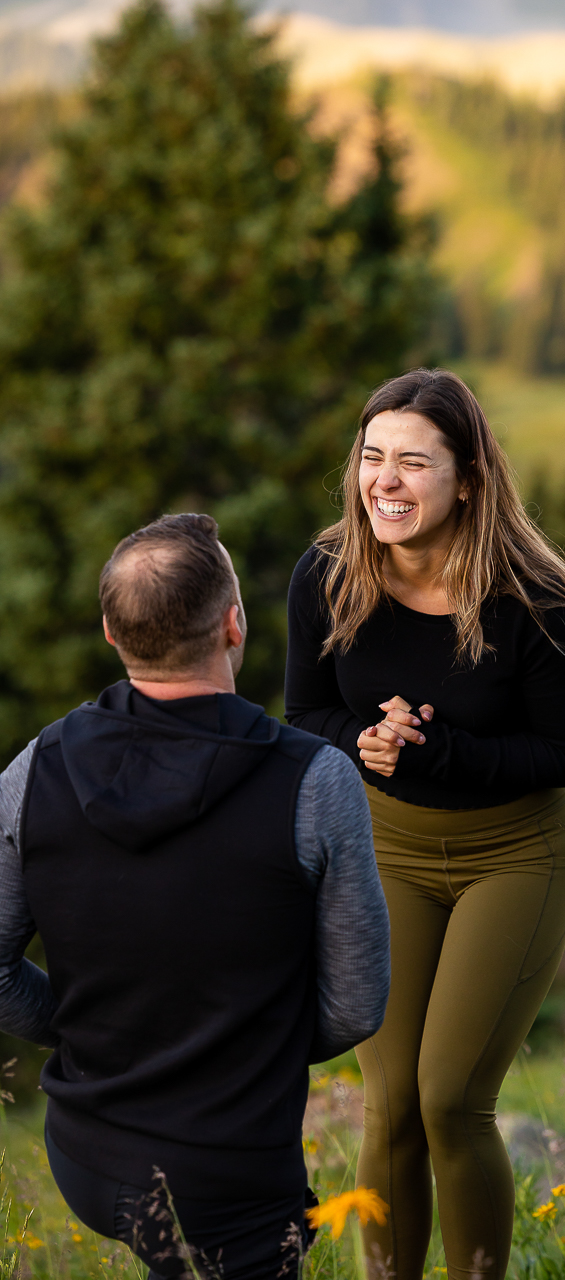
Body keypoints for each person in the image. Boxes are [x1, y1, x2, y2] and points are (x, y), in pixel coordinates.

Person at [0, 512, 390, 1280]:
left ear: (110, 632)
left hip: (87, 1154)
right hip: (233, 1173)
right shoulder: (314, 780)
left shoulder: (32, 770)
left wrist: (90, 1032)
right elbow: (355, 1003)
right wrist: (250, 1046)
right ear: (233, 625)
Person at [285, 368, 565, 1280]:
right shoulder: (327, 573)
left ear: (466, 479)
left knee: (450, 1099)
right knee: (387, 1108)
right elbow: (306, 718)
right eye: (372, 457)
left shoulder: (528, 594)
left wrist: (438, 753)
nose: (384, 479)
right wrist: (369, 743)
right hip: (386, 847)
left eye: (412, 463)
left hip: (518, 853)